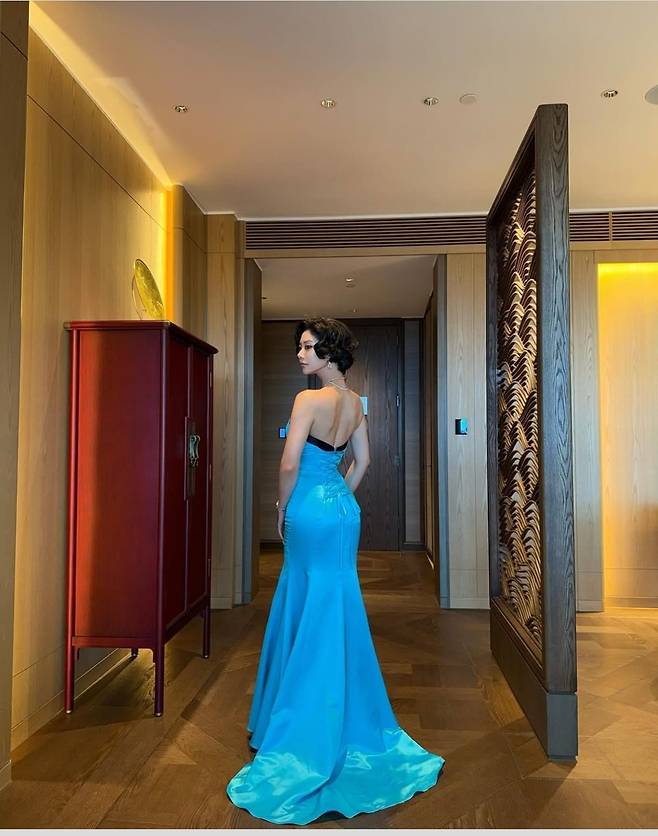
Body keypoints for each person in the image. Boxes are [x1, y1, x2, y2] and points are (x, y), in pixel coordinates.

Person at [226, 317, 445, 825]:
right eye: (300, 347)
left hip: (309, 509)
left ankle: (302, 728)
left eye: (308, 347)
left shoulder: (308, 400)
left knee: (305, 604)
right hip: (343, 511)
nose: (300, 355)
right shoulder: (357, 404)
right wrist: (338, 497)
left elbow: (288, 464)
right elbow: (362, 462)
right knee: (337, 608)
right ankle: (350, 720)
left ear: (328, 353)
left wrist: (282, 508)